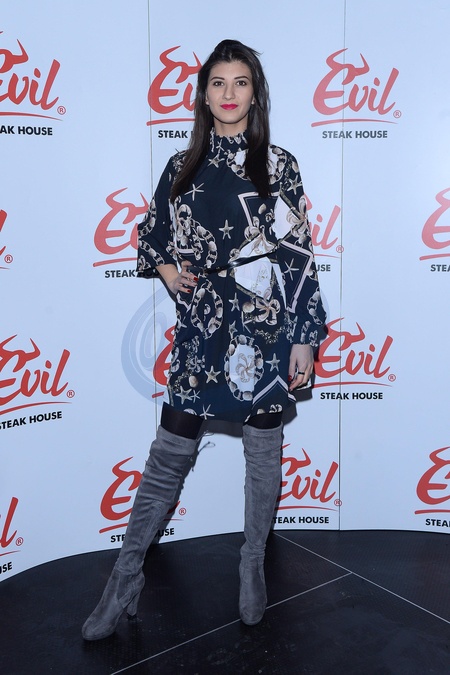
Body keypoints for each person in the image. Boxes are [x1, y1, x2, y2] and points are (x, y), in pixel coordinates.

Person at [82, 38, 326, 641]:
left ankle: (252, 566)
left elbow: (298, 255)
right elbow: (151, 234)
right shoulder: (181, 165)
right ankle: (124, 578)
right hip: (204, 325)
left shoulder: (279, 165)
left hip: (265, 325)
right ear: (204, 95)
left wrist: (303, 336)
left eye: (241, 82)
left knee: (263, 452)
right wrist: (168, 270)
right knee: (170, 451)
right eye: (218, 82)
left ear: (255, 94)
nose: (229, 93)